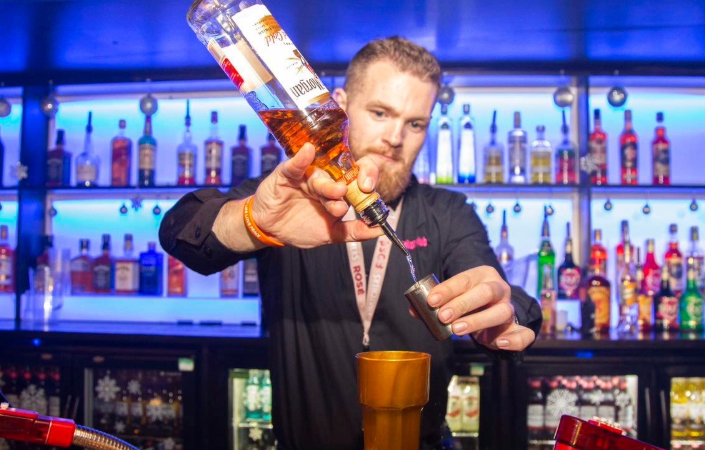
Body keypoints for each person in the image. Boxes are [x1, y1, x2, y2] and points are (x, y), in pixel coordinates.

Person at [160, 37, 541, 449]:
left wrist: (504, 313)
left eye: (415, 124)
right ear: (339, 107)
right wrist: (254, 222)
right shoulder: (286, 196)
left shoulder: (448, 212)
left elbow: (493, 286)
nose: (395, 137)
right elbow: (181, 230)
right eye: (380, 113)